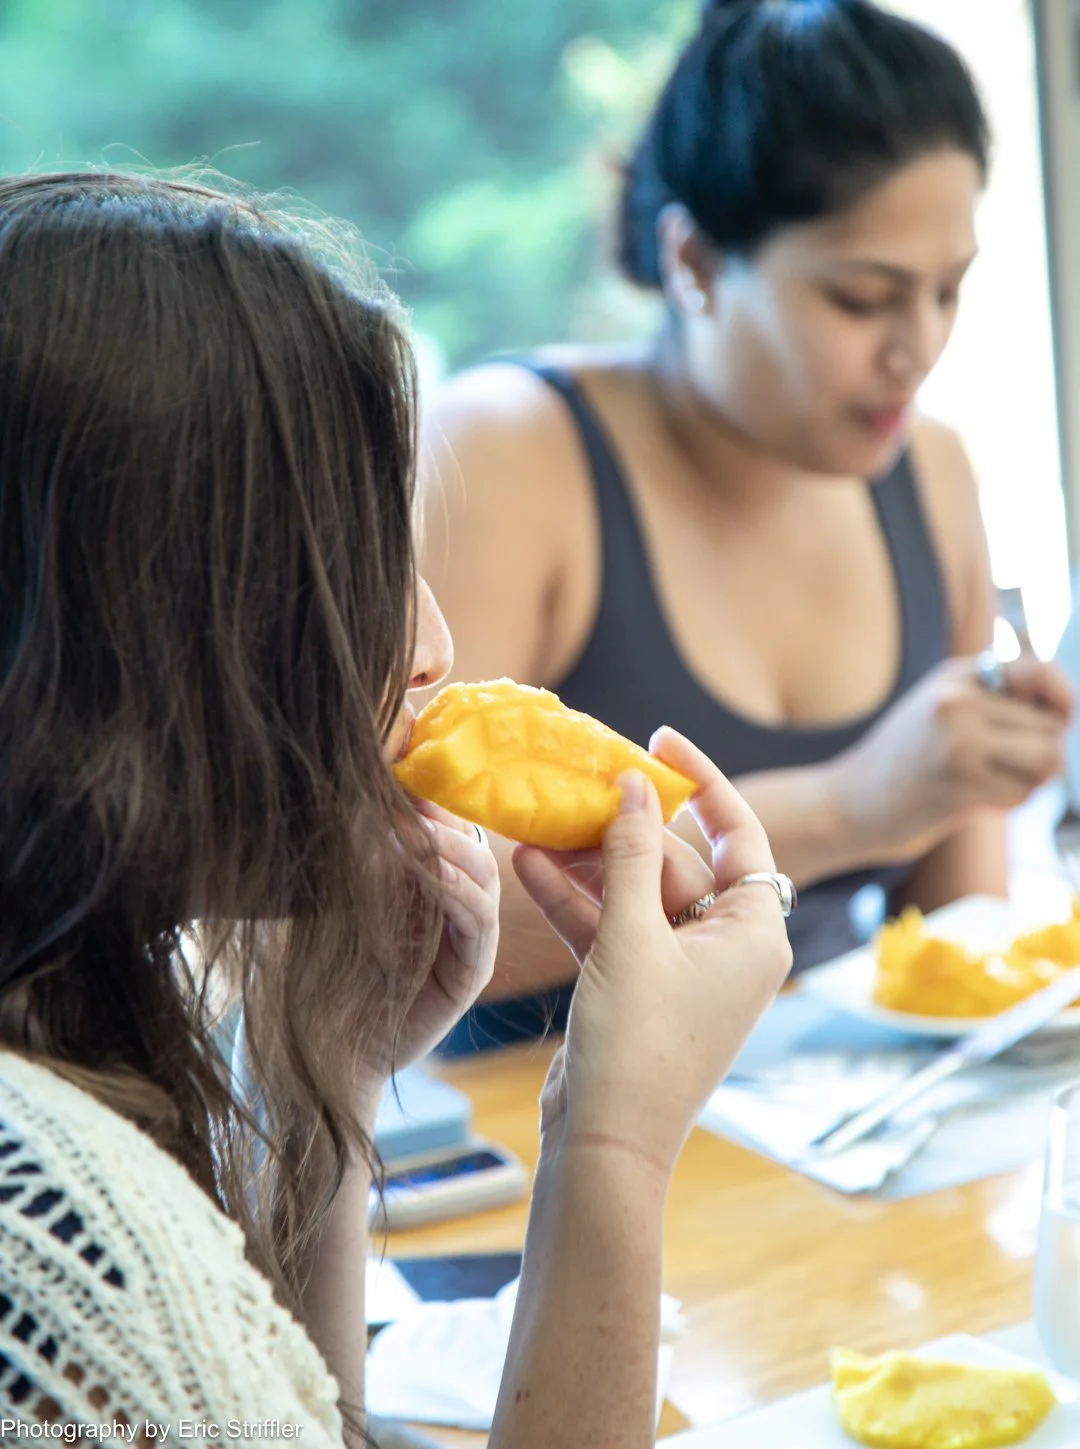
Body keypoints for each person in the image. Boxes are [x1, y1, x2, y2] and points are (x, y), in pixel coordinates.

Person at [0, 170, 791, 1445]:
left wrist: (331, 1076)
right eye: (354, 570)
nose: (433, 643)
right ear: (136, 637)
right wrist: (614, 1143)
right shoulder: (43, 1224)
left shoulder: (82, 1040)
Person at [420, 0, 1075, 1051]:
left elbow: (955, 939)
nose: (920, 348)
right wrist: (846, 806)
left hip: (806, 1118)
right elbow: (401, 928)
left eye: (949, 292)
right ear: (694, 264)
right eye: (865, 299)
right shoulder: (508, 456)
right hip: (532, 1120)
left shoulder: (932, 470)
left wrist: (980, 768)